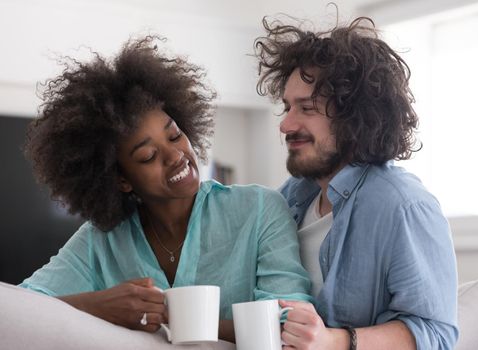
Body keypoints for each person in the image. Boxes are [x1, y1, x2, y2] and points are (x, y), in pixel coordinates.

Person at [20, 36, 311, 342]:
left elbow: (290, 324)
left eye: (174, 136)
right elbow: (19, 308)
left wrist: (180, 319)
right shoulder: (101, 241)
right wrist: (99, 306)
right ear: (121, 179)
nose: (175, 156)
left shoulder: (259, 209)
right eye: (148, 156)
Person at [254, 16, 458, 350]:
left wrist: (333, 341)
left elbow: (436, 334)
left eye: (307, 108)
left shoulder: (404, 206)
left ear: (355, 117)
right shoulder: (290, 197)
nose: (286, 124)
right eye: (287, 107)